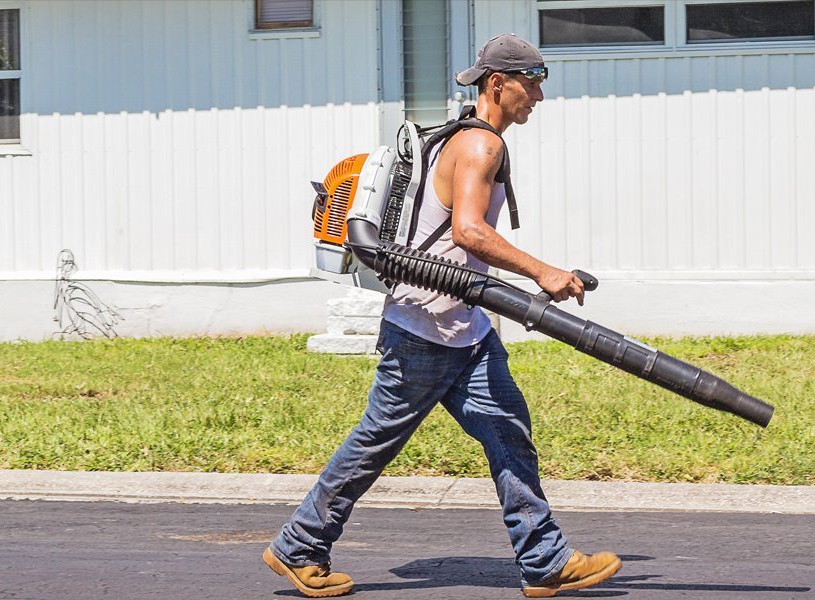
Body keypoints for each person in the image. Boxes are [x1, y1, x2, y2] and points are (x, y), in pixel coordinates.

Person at [263, 33, 621, 599]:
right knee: (375, 442)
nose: (539, 98)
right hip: (425, 329)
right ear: (498, 84)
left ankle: (545, 559)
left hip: (463, 326)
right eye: (532, 84)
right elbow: (469, 232)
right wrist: (543, 272)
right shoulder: (481, 146)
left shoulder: (455, 138)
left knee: (509, 431)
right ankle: (300, 545)